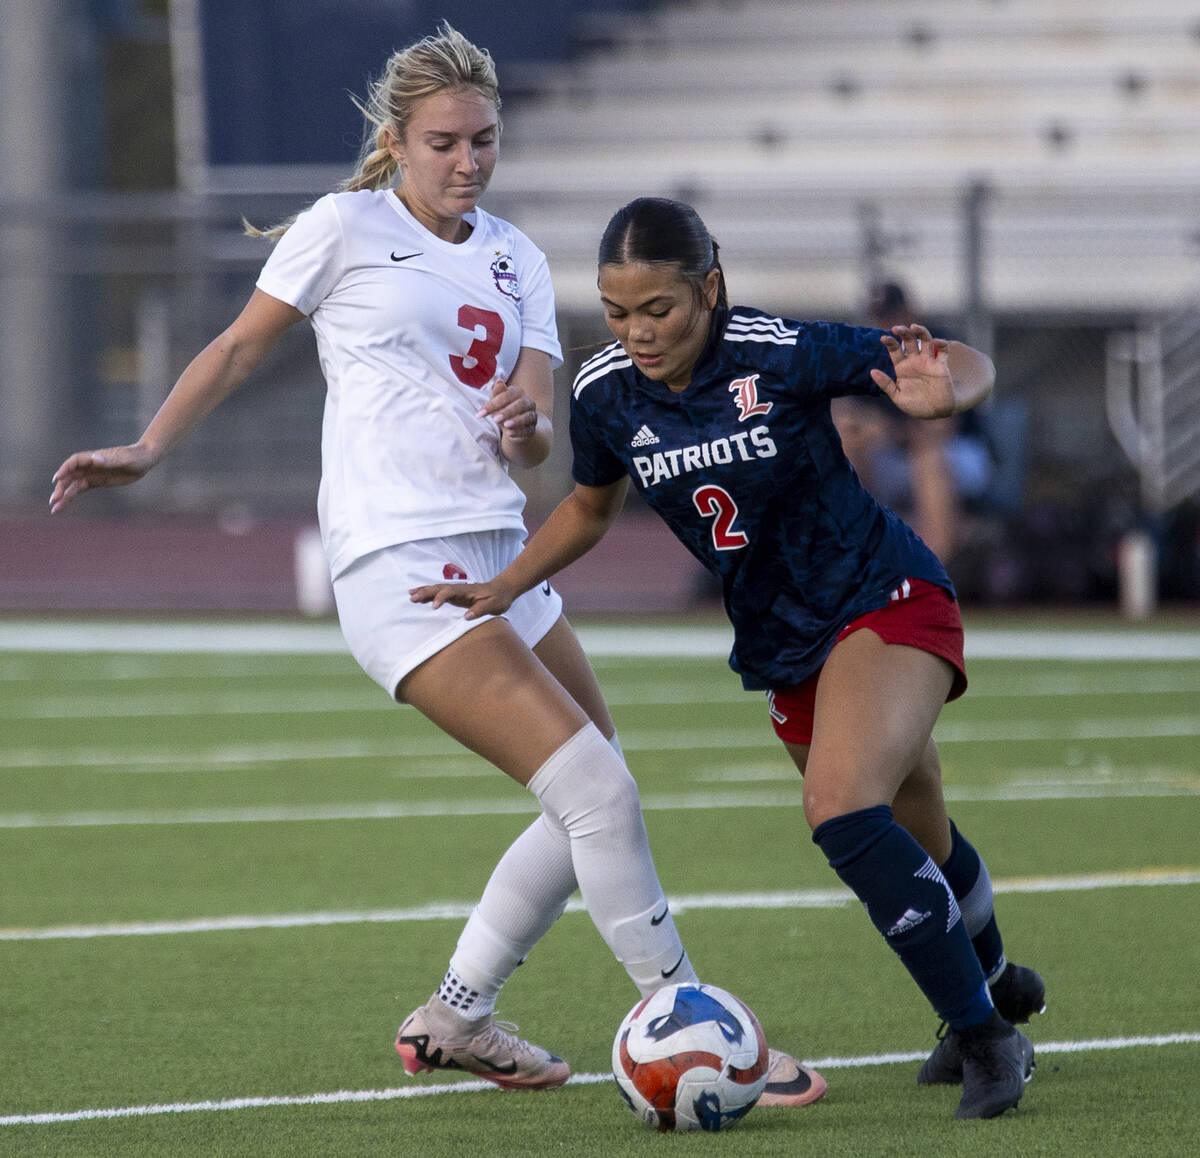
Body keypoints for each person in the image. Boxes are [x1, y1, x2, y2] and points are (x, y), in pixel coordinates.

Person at [48, 30, 822, 1106]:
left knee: (596, 788)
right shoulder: (344, 227)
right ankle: (690, 1021)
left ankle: (458, 1015)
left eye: (484, 141)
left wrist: (521, 423)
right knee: (594, 790)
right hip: (399, 561)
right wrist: (147, 445)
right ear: (397, 142)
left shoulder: (513, 256)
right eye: (446, 142)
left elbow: (540, 440)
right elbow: (236, 346)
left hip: (503, 554)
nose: (468, 162)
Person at [411, 197, 1046, 1120]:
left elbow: (953, 361)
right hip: (781, 643)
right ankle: (993, 982)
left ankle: (988, 1038)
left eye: (659, 310)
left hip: (884, 597)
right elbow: (592, 505)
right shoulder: (604, 392)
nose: (638, 333)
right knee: (920, 838)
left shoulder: (772, 348)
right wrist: (505, 586)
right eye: (618, 312)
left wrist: (953, 390)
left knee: (840, 809)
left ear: (709, 289)